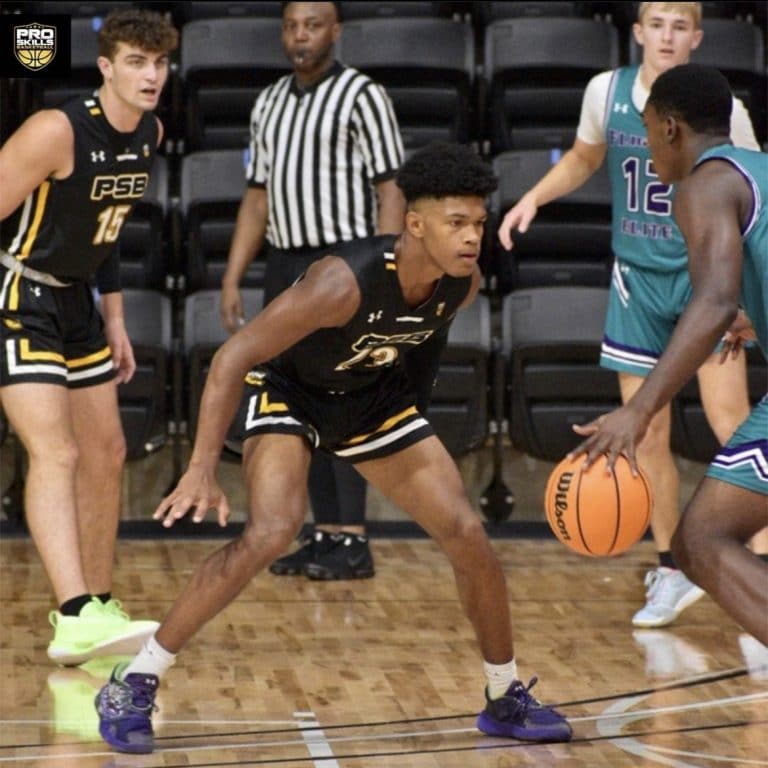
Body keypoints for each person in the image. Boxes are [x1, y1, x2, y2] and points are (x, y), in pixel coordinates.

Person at [93, 143, 572, 754]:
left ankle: (504, 695)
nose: (473, 236)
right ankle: (135, 680)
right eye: (457, 223)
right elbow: (234, 356)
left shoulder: (465, 282)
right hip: (291, 392)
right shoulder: (341, 283)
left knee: (466, 533)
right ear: (415, 224)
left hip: (367, 396)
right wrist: (200, 469)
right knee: (272, 531)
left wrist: (408, 424)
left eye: (479, 223)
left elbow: (422, 341)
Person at [497, 1, 765, 629]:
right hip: (640, 279)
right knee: (659, 455)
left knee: (728, 435)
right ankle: (673, 568)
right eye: (659, 23)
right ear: (638, 31)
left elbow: (730, 258)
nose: (668, 35)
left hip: (704, 282)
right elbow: (585, 159)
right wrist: (533, 197)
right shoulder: (607, 93)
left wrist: (741, 306)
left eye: (681, 25)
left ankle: (750, 573)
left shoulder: (715, 146)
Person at [0, 9, 178, 664]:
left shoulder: (150, 132)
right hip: (20, 294)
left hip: (79, 301)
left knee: (106, 449)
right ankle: (72, 612)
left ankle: (97, 604)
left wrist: (116, 319)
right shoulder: (56, 130)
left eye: (159, 63)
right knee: (57, 452)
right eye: (136, 61)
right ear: (106, 67)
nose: (150, 75)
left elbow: (108, 227)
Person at [569, 63, 767, 646]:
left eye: (651, 130)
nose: (650, 145)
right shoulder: (760, 169)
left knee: (699, 541)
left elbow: (710, 301)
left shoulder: (703, 184)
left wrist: (641, 410)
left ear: (672, 128)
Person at [219, 1, 406, 581]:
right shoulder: (269, 101)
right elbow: (257, 197)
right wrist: (232, 273)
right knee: (298, 397)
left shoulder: (363, 95)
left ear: (336, 30)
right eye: (292, 25)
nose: (301, 36)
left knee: (345, 394)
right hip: (284, 261)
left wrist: (385, 266)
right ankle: (324, 533)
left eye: (313, 24)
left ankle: (354, 536)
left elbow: (392, 187)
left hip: (344, 266)